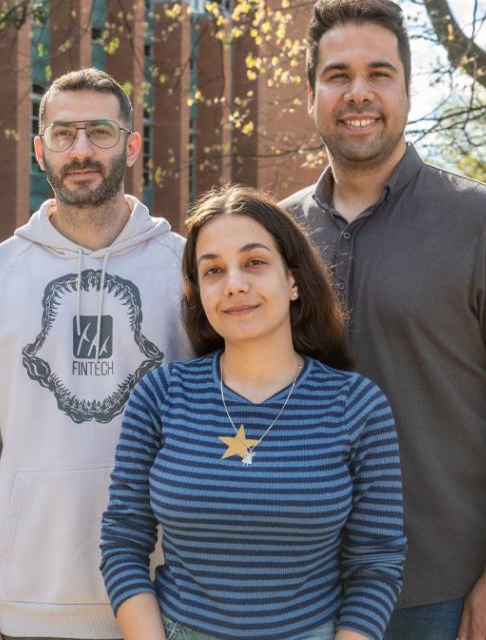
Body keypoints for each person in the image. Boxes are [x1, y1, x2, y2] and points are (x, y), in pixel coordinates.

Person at [282, 0, 486, 640]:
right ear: (310, 95)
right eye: (337, 76)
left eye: (379, 74)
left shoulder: (485, 220)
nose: (358, 93)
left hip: (444, 595)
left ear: (408, 91)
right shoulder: (274, 236)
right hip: (296, 592)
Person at [0, 68, 192, 640]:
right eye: (63, 133)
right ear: (39, 148)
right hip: (21, 605)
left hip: (167, 601)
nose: (81, 151)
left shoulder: (190, 272)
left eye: (100, 132)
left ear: (132, 144)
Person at [100, 184, 406, 640]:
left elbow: (377, 562)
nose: (235, 284)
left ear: (294, 279)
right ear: (199, 291)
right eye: (213, 271)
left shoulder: (356, 405)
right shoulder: (161, 396)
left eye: (255, 262)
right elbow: (123, 543)